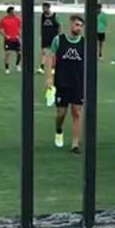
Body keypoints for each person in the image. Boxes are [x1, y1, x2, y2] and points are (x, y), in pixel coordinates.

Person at [45, 15, 86, 153]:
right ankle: (58, 130)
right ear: (71, 24)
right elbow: (50, 57)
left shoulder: (84, 43)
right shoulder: (59, 40)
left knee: (77, 112)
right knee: (61, 113)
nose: (78, 28)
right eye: (76, 25)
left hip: (78, 84)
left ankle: (75, 144)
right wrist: (49, 77)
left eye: (81, 26)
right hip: (62, 82)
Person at [37, 2, 61, 74]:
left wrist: (58, 36)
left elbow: (59, 26)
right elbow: (42, 26)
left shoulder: (55, 16)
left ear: (48, 8)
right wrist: (41, 35)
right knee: (44, 52)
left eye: (44, 8)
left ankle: (53, 68)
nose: (43, 9)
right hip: (45, 37)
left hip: (53, 37)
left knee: (53, 53)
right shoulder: (43, 16)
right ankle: (42, 68)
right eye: (42, 8)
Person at [0, 6, 23, 74]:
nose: (15, 12)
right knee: (8, 54)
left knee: (20, 53)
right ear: (10, 12)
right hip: (8, 40)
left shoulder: (17, 19)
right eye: (13, 11)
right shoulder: (4, 20)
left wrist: (19, 36)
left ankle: (17, 65)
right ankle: (7, 68)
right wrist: (5, 36)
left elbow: (19, 28)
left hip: (16, 39)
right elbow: (0, 29)